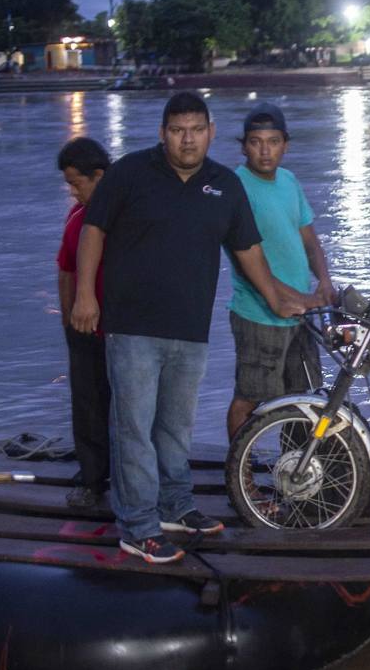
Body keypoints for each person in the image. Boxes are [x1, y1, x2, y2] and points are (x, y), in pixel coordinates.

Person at [71, 91, 311, 564]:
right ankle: (137, 526)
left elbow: (249, 252)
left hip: (190, 327)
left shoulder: (224, 184)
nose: (187, 139)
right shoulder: (130, 173)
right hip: (132, 324)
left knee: (175, 426)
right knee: (134, 428)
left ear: (211, 133)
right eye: (178, 130)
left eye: (196, 130)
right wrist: (85, 295)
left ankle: (175, 506)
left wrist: (280, 297)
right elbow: (92, 229)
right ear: (163, 133)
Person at [226, 102, 336, 439]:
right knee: (250, 398)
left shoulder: (289, 181)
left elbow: (309, 239)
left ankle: (299, 480)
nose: (265, 150)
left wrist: (325, 282)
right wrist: (304, 298)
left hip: (299, 315)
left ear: (285, 144)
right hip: (259, 316)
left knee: (302, 399)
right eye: (256, 142)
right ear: (244, 145)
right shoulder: (236, 187)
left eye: (273, 141)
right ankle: (239, 477)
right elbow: (247, 265)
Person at [55, 136, 112, 509]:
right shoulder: (77, 216)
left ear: (100, 176)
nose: (73, 192)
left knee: (128, 408)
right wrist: (68, 320)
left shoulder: (126, 212)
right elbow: (66, 270)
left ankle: (131, 476)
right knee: (89, 405)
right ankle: (92, 479)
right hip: (85, 328)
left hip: (123, 328)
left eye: (77, 183)